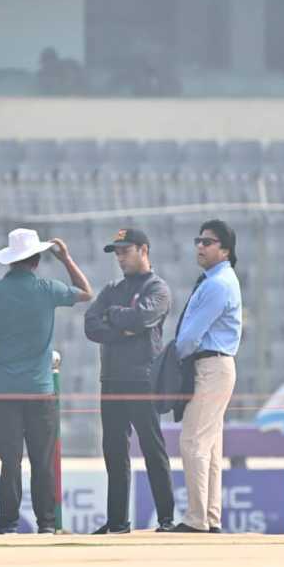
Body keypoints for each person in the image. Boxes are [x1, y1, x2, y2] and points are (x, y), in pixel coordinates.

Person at [0, 228, 93, 534]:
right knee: (42, 461)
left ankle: (8, 522)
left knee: (10, 463)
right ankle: (46, 524)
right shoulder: (48, 288)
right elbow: (86, 292)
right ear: (37, 259)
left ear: (10, 261)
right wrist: (65, 258)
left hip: (3, 392)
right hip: (40, 391)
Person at [84, 228, 175, 534]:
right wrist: (120, 325)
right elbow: (91, 325)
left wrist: (116, 317)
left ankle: (166, 519)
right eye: (117, 252)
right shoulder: (112, 289)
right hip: (110, 379)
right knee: (113, 450)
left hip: (142, 378)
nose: (120, 257)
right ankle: (117, 521)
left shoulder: (157, 288)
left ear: (143, 250)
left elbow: (141, 320)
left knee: (152, 447)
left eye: (125, 251)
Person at [169, 220, 242, 533]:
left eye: (208, 242)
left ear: (224, 250)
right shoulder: (217, 280)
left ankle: (197, 519)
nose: (200, 246)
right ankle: (209, 517)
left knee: (193, 440)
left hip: (210, 365)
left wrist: (173, 358)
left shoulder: (217, 284)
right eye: (199, 240)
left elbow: (190, 337)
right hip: (216, 365)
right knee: (210, 446)